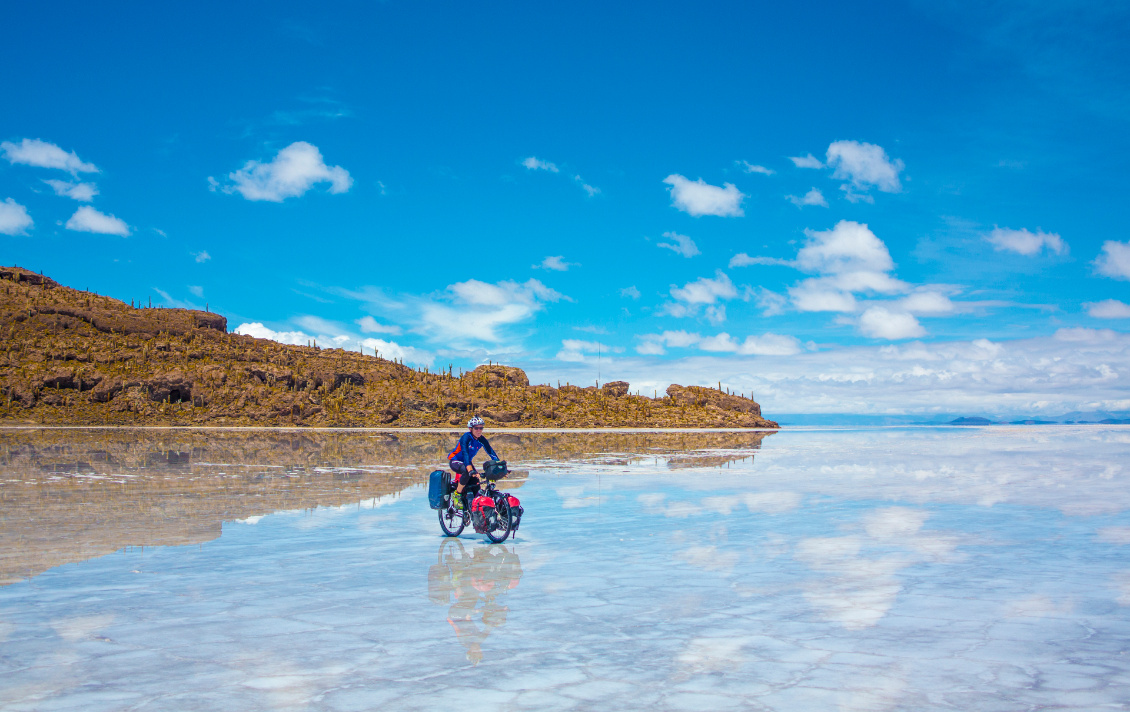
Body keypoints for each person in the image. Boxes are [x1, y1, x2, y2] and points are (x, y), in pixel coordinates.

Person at [448, 416, 501, 509]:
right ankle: (457, 494)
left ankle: (473, 507)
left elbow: (491, 452)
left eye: (481, 428)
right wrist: (469, 468)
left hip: (467, 461)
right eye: (476, 428)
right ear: (470, 429)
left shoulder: (481, 439)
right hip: (456, 460)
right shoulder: (466, 437)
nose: (479, 430)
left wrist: (499, 465)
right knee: (467, 472)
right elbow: (465, 453)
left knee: (476, 483)